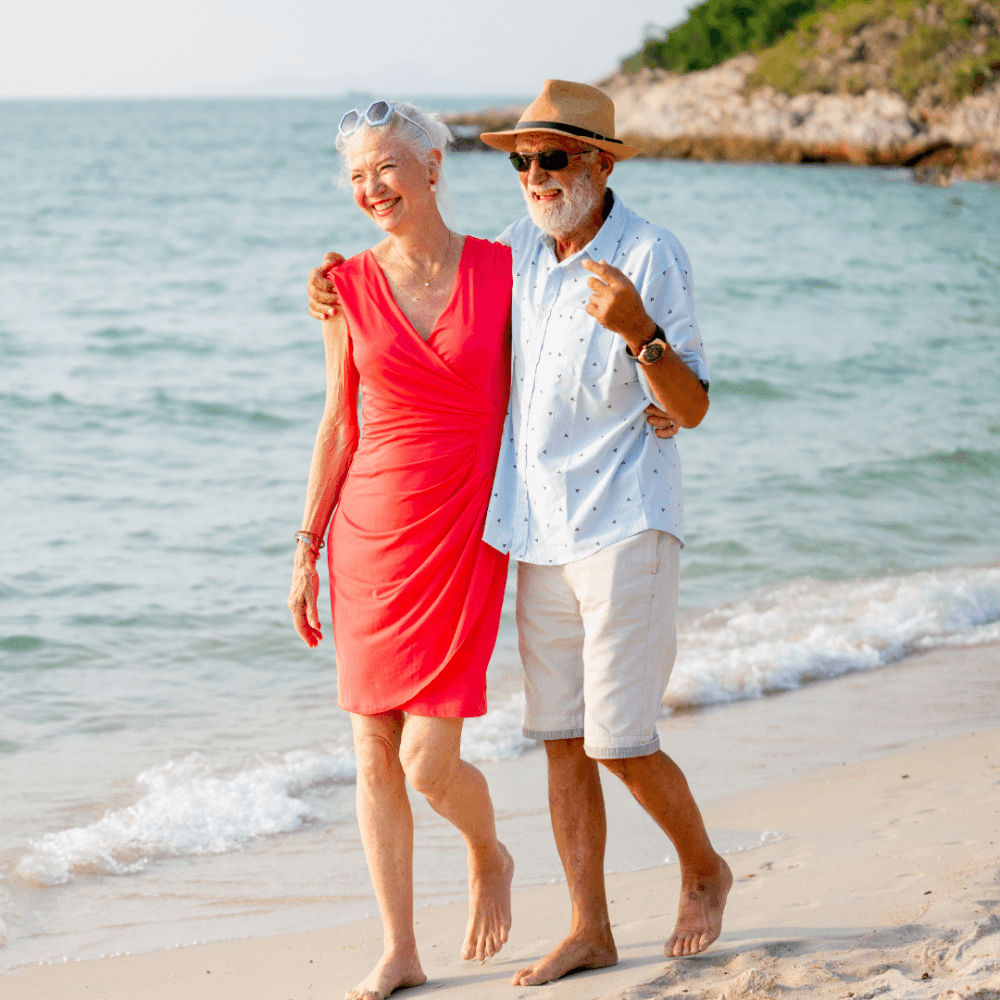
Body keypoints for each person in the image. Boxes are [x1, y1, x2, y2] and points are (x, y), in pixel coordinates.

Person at [308, 81, 732, 988]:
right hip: (525, 529)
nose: (536, 174)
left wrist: (643, 339)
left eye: (555, 158)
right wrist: (334, 286)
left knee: (614, 738)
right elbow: (374, 369)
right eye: (523, 159)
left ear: (600, 162)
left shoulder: (641, 255)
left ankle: (702, 866)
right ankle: (582, 930)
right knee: (559, 738)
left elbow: (690, 405)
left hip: (610, 522)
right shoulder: (516, 260)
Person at [287, 99, 515, 1000]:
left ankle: (488, 850)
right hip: (368, 537)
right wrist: (305, 546)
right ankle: (399, 949)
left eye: (385, 167)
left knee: (429, 762)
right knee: (373, 752)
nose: (371, 188)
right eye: (355, 177)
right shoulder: (343, 287)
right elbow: (339, 424)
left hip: (463, 533)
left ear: (430, 166)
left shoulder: (503, 270)